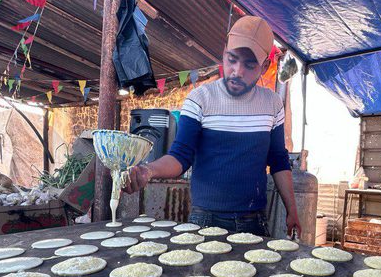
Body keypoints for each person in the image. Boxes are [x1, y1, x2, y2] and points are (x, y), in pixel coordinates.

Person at [125, 16, 301, 237]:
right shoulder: (200, 99)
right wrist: (148, 171)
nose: (237, 71)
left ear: (264, 66)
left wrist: (292, 210)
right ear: (224, 52)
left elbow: (278, 160)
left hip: (254, 221)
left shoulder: (272, 104)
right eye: (233, 59)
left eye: (249, 64)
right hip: (205, 220)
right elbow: (180, 157)